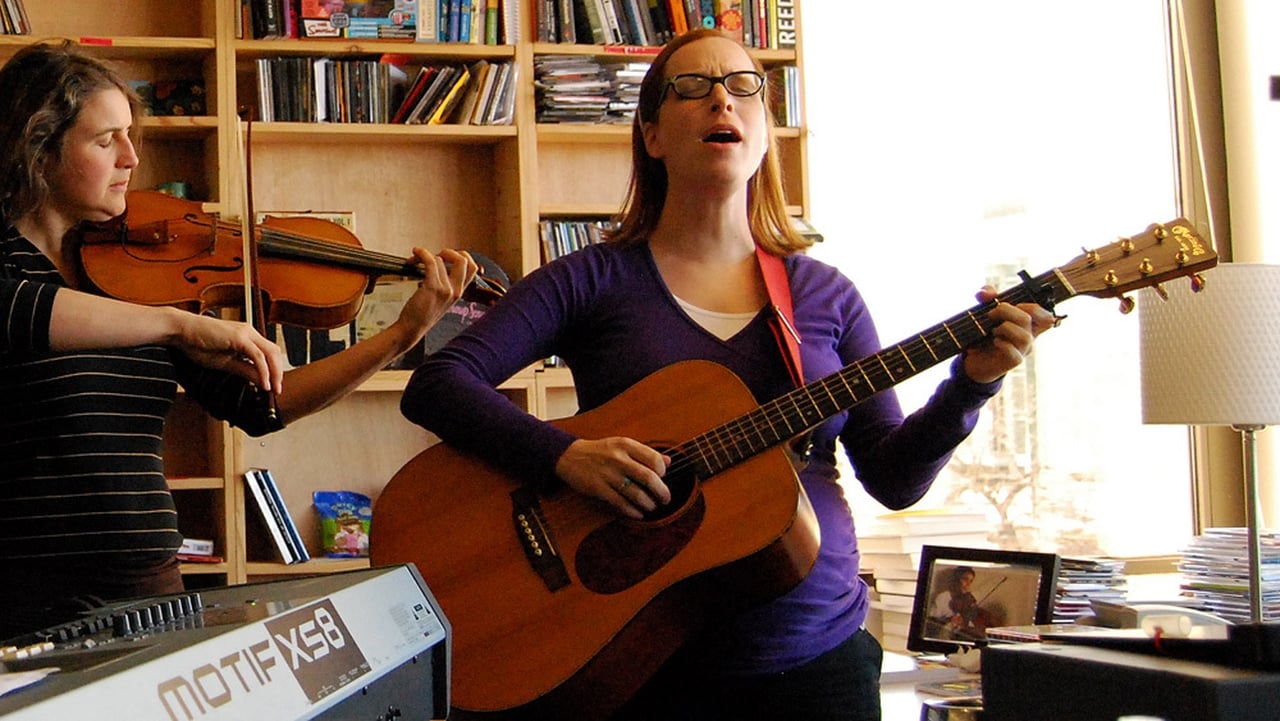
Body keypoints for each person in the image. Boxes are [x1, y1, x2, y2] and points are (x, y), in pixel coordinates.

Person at [399, 28, 1055, 721]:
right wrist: (566, 457)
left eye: (744, 86)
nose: (722, 99)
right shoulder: (592, 278)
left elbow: (893, 477)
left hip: (815, 661)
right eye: (692, 87)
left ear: (764, 129)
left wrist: (971, 385)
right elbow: (439, 383)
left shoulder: (825, 295)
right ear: (651, 135)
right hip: (638, 661)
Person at [0, 42, 477, 639]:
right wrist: (181, 323)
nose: (131, 158)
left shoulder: (134, 268)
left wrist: (405, 333)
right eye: (105, 141)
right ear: (37, 150)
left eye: (130, 134)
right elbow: (23, 312)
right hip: (23, 597)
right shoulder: (13, 269)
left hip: (150, 590)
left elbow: (263, 404)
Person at [928, 566, 980, 640]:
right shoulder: (944, 596)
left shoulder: (969, 597)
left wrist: (965, 619)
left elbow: (972, 617)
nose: (968, 584)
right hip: (947, 631)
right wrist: (950, 619)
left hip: (963, 632)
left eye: (971, 581)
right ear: (957, 579)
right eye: (965, 579)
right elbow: (932, 620)